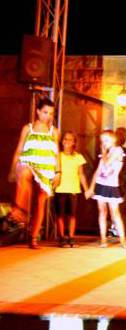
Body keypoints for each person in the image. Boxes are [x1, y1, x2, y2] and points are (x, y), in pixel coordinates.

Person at [8, 98, 61, 249]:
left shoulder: (54, 131)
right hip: (28, 161)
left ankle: (33, 237)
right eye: (45, 112)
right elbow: (19, 150)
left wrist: (58, 172)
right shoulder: (28, 128)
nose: (48, 116)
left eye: (51, 113)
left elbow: (57, 153)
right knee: (25, 173)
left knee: (40, 201)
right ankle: (20, 211)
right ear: (38, 111)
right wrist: (12, 169)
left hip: (46, 168)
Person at [85, 129, 126, 248]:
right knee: (102, 212)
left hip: (112, 186)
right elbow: (97, 172)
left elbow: (108, 163)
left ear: (114, 140)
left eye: (106, 140)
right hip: (101, 185)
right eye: (102, 141)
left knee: (115, 213)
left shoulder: (118, 150)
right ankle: (103, 239)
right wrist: (91, 188)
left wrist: (103, 152)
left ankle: (123, 240)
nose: (104, 143)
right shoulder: (105, 154)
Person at [54, 131, 89, 248]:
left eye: (70, 139)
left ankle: (71, 237)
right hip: (59, 189)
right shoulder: (57, 155)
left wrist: (86, 189)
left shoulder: (78, 157)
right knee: (60, 215)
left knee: (72, 215)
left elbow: (81, 174)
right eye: (65, 139)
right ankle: (62, 238)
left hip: (73, 189)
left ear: (74, 142)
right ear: (61, 141)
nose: (67, 141)